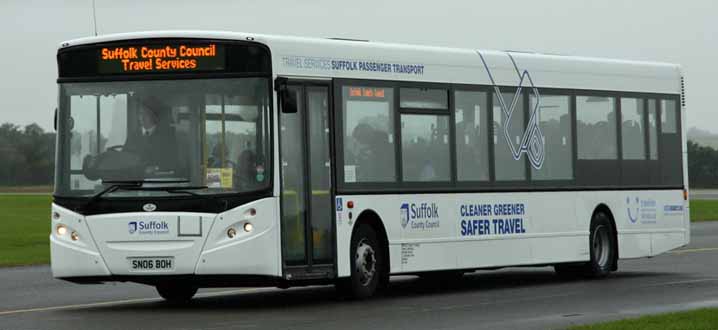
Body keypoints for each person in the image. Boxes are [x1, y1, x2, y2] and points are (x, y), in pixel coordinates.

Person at [124, 96, 177, 174]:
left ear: (154, 116)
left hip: (158, 179)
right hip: (136, 179)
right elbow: (124, 160)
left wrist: (156, 168)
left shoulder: (167, 137)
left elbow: (173, 162)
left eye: (146, 114)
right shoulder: (132, 137)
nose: (142, 117)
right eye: (140, 113)